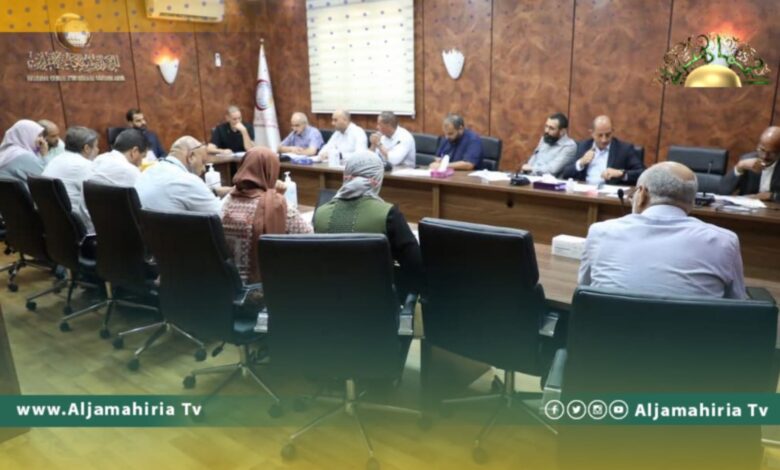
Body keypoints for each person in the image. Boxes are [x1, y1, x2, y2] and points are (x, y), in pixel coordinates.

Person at [579, 161, 746, 299]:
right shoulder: (725, 241)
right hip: (691, 331)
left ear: (642, 193)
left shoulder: (600, 232)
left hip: (610, 329)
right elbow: (736, 304)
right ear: (692, 202)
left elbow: (585, 289)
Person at [314, 151, 422, 300]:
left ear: (345, 176)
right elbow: (415, 265)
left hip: (328, 303)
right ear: (377, 180)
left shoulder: (320, 214)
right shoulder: (388, 214)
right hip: (377, 306)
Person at [221, 147, 313, 284]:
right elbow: (309, 237)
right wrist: (278, 197)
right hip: (263, 286)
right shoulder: (277, 204)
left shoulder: (227, 200)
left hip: (228, 283)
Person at [135, 136, 222, 214]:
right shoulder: (188, 181)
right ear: (191, 156)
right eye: (203, 162)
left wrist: (214, 191)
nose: (203, 169)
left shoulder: (147, 171)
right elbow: (221, 216)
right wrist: (229, 197)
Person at [42, 126, 100, 234]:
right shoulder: (84, 165)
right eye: (96, 146)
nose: (98, 150)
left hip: (55, 227)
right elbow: (94, 203)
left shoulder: (55, 160)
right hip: (78, 229)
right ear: (87, 148)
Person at [560, 115, 644, 185]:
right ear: (592, 133)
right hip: (584, 194)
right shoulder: (583, 146)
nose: (604, 140)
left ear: (612, 131)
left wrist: (621, 173)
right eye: (600, 135)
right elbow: (566, 173)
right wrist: (581, 163)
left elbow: (642, 173)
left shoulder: (624, 149)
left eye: (608, 135)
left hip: (609, 196)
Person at [721, 126, 780, 202]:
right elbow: (723, 190)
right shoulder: (747, 160)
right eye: (762, 150)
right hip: (748, 207)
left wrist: (772, 196)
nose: (765, 156)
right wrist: (740, 166)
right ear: (758, 146)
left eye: (772, 153)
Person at [522, 112, 577, 177]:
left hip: (547, 181)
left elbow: (552, 169)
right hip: (530, 176)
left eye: (551, 128)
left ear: (562, 131)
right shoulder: (545, 138)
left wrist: (532, 168)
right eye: (546, 126)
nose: (547, 131)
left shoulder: (569, 146)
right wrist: (525, 170)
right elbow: (535, 156)